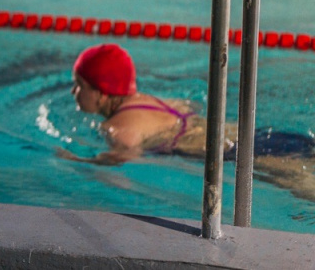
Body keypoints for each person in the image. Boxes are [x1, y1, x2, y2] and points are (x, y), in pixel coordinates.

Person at [59, 43, 315, 202]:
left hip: (237, 152)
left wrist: (81, 162)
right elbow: (192, 106)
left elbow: (123, 164)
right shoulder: (154, 101)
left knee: (300, 185)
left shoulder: (116, 128)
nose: (73, 92)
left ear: (102, 92)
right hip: (256, 134)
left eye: (79, 85)